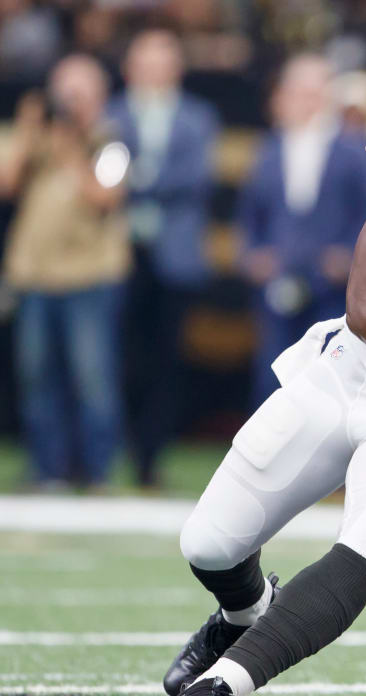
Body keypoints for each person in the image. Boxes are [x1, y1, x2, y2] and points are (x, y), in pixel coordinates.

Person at [0, 54, 130, 491]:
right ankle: (46, 470)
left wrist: (72, 149)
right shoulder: (30, 139)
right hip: (35, 276)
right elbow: (6, 183)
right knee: (37, 377)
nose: (69, 105)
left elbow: (106, 197)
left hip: (89, 276)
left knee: (92, 378)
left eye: (79, 95)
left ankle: (97, 472)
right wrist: (29, 130)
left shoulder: (110, 141)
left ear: (99, 98)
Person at [107, 28, 221, 488]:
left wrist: (137, 183)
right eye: (145, 63)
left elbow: (195, 179)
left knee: (166, 358)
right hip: (119, 252)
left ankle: (151, 457)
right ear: (130, 68)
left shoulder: (198, 117)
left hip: (173, 253)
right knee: (121, 356)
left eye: (162, 62)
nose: (154, 72)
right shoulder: (112, 114)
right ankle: (119, 447)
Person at [236, 54, 366, 407]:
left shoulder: (353, 152)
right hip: (278, 280)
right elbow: (250, 215)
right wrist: (252, 257)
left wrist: (349, 256)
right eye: (299, 91)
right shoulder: (268, 151)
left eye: (315, 92)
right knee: (273, 374)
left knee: (329, 376)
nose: (307, 101)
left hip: (332, 286)